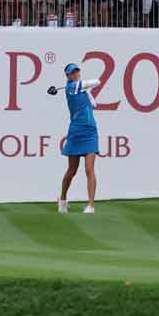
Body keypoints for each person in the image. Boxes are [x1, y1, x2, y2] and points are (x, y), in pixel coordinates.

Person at [50, 63, 101, 213]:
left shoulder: (80, 88)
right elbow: (97, 81)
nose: (75, 74)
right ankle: (63, 199)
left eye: (77, 71)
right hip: (76, 132)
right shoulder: (72, 87)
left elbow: (94, 104)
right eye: (72, 73)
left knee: (89, 169)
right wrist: (84, 86)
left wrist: (87, 91)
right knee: (72, 170)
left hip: (91, 132)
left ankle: (91, 205)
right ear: (67, 76)